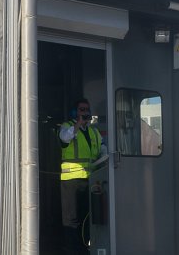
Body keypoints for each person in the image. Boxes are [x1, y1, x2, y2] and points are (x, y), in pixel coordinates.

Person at [59, 98, 107, 255]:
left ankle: (84, 249)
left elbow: (102, 148)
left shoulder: (93, 131)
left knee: (86, 216)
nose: (85, 112)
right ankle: (71, 250)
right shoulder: (67, 127)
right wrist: (78, 125)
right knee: (71, 220)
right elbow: (65, 138)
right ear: (75, 112)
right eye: (81, 109)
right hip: (71, 181)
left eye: (87, 109)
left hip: (89, 179)